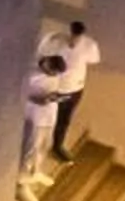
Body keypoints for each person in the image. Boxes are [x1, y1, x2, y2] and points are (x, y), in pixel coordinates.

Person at [38, 15, 100, 158]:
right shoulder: (58, 41)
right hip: (57, 89)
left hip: (75, 89)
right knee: (48, 118)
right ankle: (40, 148)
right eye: (73, 36)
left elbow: (93, 60)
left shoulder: (89, 46)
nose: (74, 40)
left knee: (64, 120)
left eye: (78, 37)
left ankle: (57, 146)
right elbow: (44, 57)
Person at [20, 47, 69, 195]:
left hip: (48, 114)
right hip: (34, 115)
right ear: (48, 65)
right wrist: (40, 100)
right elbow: (23, 94)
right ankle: (23, 178)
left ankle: (37, 171)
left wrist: (54, 97)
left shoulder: (53, 74)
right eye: (53, 72)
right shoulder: (32, 74)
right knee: (31, 147)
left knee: (44, 145)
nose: (54, 75)